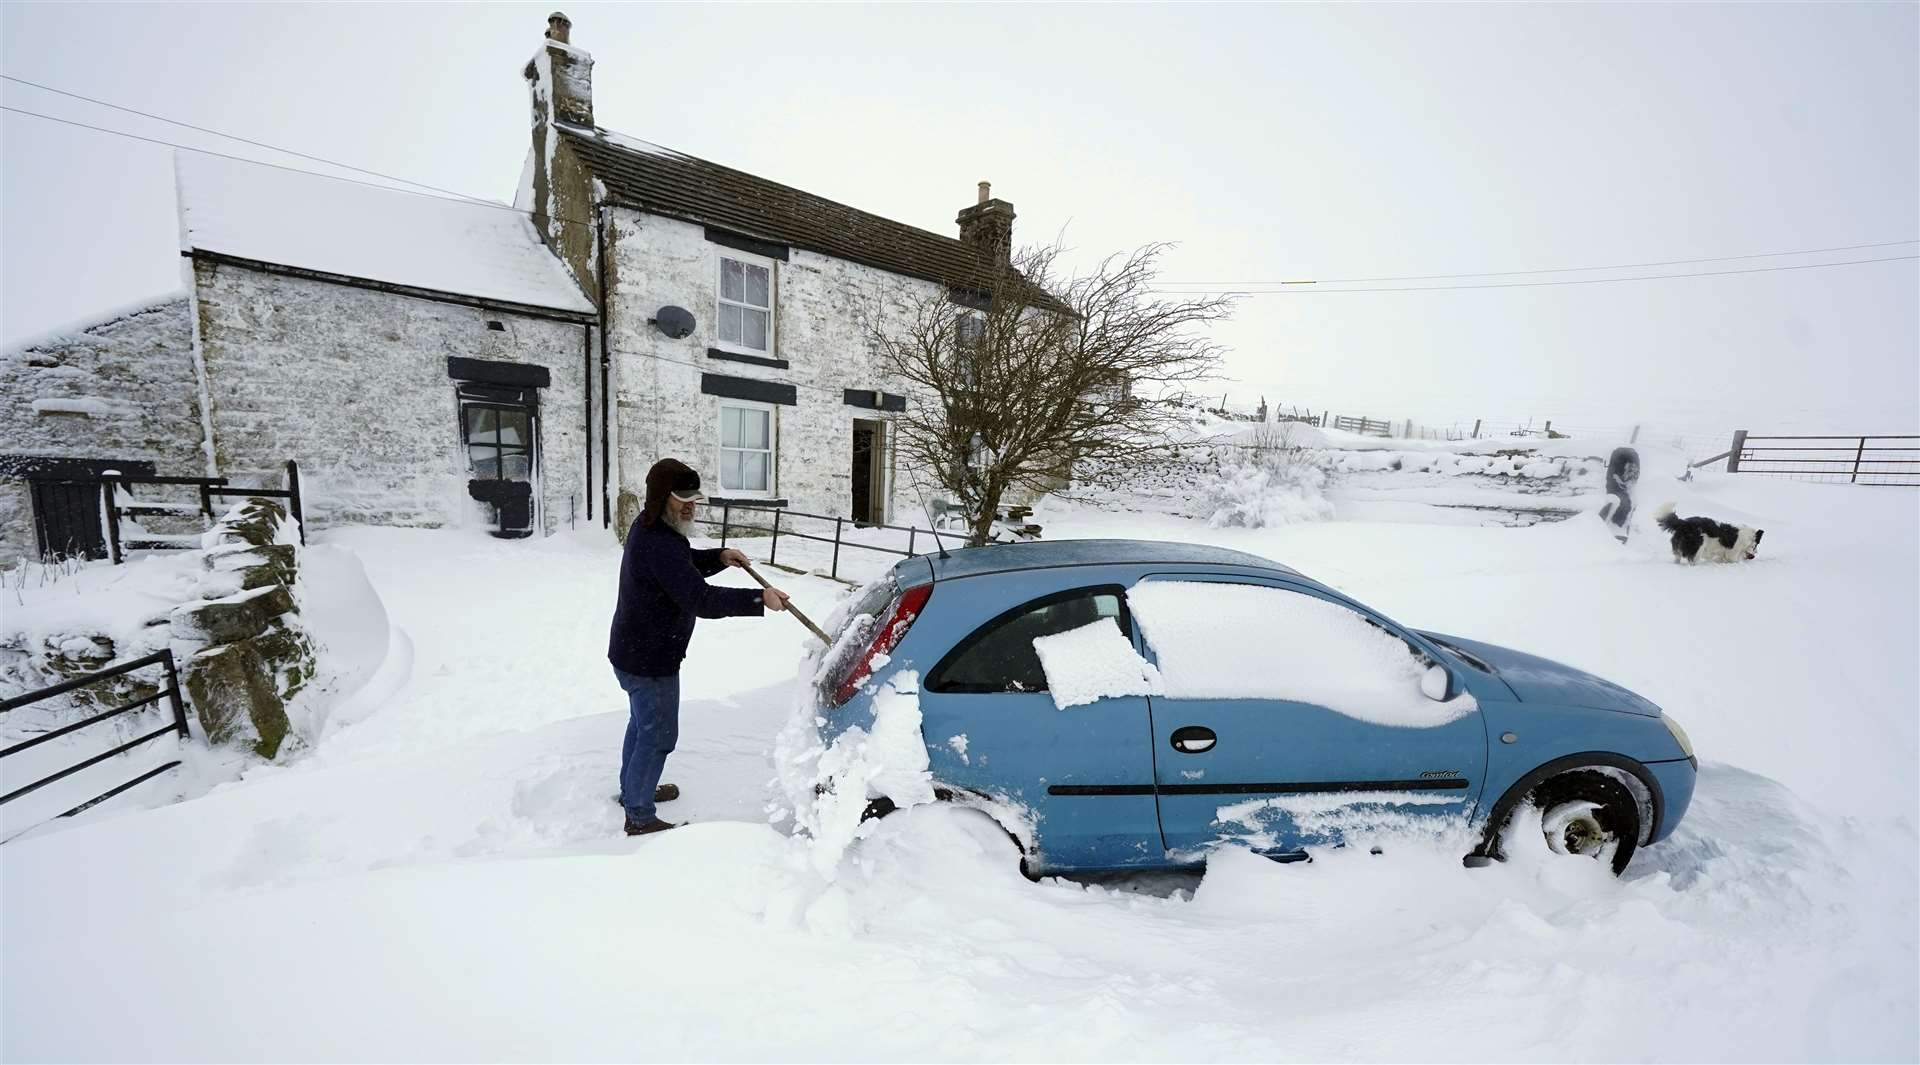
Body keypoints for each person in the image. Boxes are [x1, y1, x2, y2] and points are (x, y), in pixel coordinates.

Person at [609, 458, 789, 836]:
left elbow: (681, 564)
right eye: (682, 497)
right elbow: (699, 599)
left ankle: (633, 791)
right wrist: (760, 599)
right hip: (650, 659)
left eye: (695, 497)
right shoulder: (659, 540)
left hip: (634, 651)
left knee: (642, 725)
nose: (691, 505)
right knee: (657, 734)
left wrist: (719, 557)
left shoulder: (653, 529)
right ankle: (639, 816)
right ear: (661, 497)